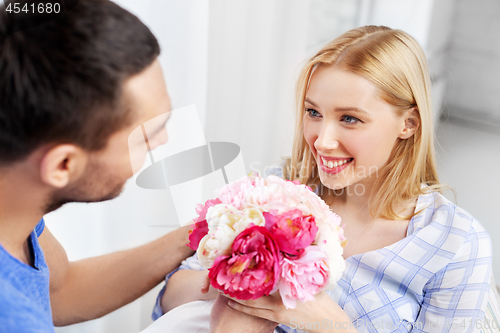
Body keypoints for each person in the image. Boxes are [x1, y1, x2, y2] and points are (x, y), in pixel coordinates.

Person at [151, 25, 494, 332]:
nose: (322, 140)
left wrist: (331, 326)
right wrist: (242, 275)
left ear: (409, 124)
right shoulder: (276, 190)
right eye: (313, 112)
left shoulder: (456, 243)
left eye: (349, 118)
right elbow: (169, 299)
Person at [0, 0, 195, 331]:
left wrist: (198, 233)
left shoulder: (13, 199)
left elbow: (61, 292)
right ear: (63, 164)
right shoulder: (13, 319)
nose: (161, 142)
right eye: (145, 137)